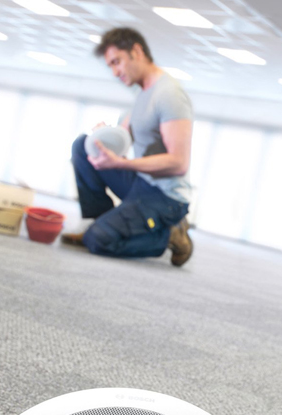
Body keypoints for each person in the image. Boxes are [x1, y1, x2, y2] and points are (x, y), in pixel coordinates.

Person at [62, 26, 194, 266]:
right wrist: (104, 136)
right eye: (110, 66)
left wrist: (122, 163)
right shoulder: (143, 92)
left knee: (97, 240)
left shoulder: (170, 95)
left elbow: (179, 163)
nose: (115, 72)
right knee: (84, 146)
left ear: (137, 51)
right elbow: (126, 136)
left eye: (117, 62)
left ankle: (170, 235)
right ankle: (97, 219)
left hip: (166, 197)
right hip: (141, 182)